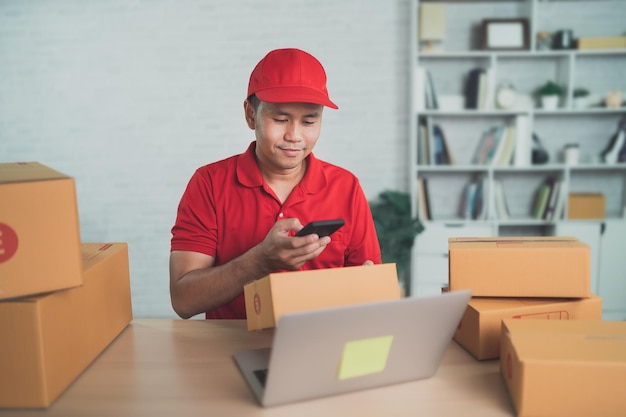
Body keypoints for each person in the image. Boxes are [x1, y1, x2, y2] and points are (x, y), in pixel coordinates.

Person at [169, 48, 382, 320]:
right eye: (280, 119)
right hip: (227, 348)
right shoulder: (209, 183)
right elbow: (183, 301)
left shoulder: (346, 186)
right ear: (250, 115)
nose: (294, 135)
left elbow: (370, 289)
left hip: (319, 344)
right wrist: (260, 261)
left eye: (309, 121)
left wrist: (366, 289)